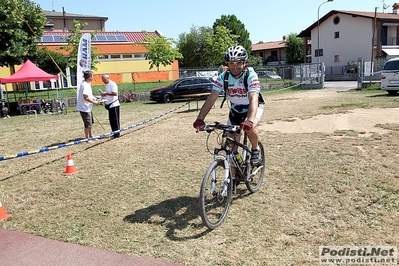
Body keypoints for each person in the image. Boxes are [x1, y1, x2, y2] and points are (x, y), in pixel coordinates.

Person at [193, 45, 264, 166]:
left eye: (238, 63)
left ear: (245, 63)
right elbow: (211, 99)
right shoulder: (224, 77)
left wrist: (250, 120)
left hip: (253, 107)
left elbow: (253, 98)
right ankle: (232, 180)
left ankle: (255, 149)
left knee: (250, 127)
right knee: (231, 147)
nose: (235, 66)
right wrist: (200, 119)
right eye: (231, 64)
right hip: (236, 110)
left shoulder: (250, 75)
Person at [76, 70, 101, 143]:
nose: (93, 77)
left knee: (91, 123)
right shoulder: (85, 85)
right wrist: (94, 102)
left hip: (88, 107)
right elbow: (86, 97)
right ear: (89, 77)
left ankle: (91, 135)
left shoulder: (87, 84)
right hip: (84, 108)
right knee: (87, 124)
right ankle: (87, 139)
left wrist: (95, 98)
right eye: (92, 76)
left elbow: (89, 95)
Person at [101, 74, 121, 139]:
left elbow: (115, 93)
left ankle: (117, 134)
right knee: (111, 120)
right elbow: (108, 94)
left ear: (107, 78)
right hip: (109, 105)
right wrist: (104, 95)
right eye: (102, 80)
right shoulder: (107, 85)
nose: (103, 81)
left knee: (115, 120)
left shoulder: (113, 84)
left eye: (104, 79)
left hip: (114, 104)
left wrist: (106, 93)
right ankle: (113, 132)